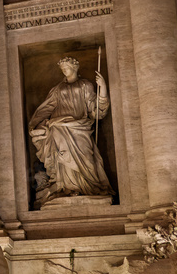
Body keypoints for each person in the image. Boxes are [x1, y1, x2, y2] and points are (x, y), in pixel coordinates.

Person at [28, 57, 114, 206]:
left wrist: (103, 89)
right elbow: (46, 108)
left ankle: (89, 188)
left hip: (80, 127)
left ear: (75, 68)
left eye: (66, 67)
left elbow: (96, 111)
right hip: (58, 127)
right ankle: (66, 187)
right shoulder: (57, 89)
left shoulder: (85, 85)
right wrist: (34, 124)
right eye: (62, 69)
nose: (64, 71)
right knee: (62, 158)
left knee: (87, 158)